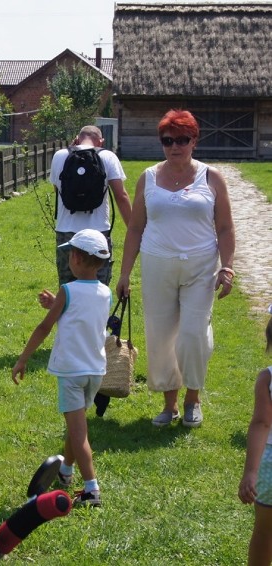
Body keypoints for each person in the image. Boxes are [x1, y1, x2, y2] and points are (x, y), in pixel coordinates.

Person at [115, 109, 235, 428]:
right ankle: (170, 406)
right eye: (168, 140)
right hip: (157, 267)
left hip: (200, 267)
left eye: (182, 139)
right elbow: (136, 228)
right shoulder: (148, 177)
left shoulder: (211, 178)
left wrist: (228, 267)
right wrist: (125, 273)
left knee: (193, 334)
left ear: (194, 140)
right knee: (161, 335)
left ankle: (193, 399)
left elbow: (224, 227)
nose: (174, 146)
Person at [12, 229, 112, 508]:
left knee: (79, 435)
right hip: (95, 370)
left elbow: (45, 326)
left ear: (77, 258)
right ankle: (66, 472)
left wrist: (23, 358)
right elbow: (80, 316)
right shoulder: (105, 293)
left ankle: (92, 489)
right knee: (75, 424)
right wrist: (56, 305)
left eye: (70, 254)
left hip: (71, 372)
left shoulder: (67, 290)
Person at [41, 125, 132, 417]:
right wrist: (136, 231)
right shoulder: (108, 157)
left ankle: (70, 347)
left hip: (66, 233)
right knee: (98, 295)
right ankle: (96, 347)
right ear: (100, 140)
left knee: (68, 293)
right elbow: (120, 196)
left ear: (76, 138)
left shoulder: (59, 157)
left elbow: (60, 190)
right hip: (97, 234)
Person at [238, 310, 272, 566]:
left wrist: (251, 472)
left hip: (270, 467)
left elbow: (261, 424)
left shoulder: (267, 378)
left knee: (264, 531)